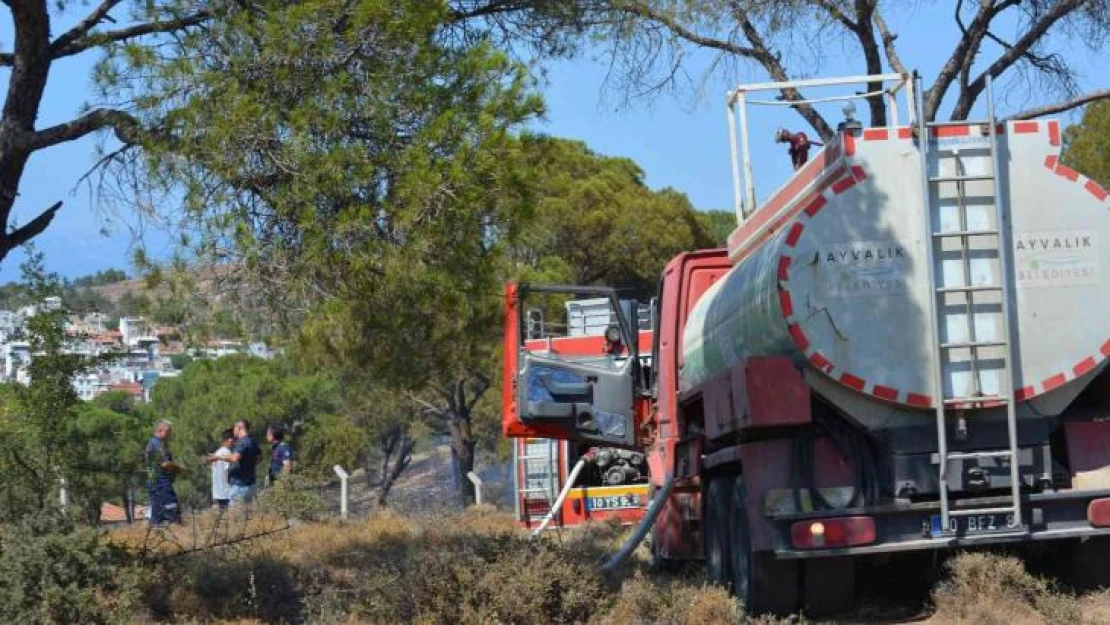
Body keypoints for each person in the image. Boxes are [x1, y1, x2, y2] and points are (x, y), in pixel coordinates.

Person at [144, 420, 184, 526]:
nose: (169, 434)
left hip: (153, 481)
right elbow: (164, 464)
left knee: (157, 509)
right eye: (168, 431)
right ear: (160, 430)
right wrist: (178, 467)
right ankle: (176, 526)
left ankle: (156, 530)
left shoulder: (153, 443)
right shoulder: (156, 444)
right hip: (160, 481)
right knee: (172, 505)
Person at [220, 419, 261, 506]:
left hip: (239, 485)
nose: (233, 431)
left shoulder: (242, 442)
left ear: (239, 428)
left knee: (236, 517)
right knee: (247, 516)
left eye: (234, 428)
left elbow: (235, 458)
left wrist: (219, 457)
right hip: (250, 484)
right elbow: (260, 457)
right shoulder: (253, 442)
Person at [209, 428, 235, 511]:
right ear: (230, 440)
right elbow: (228, 471)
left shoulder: (217, 452)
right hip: (226, 491)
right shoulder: (227, 453)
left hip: (218, 490)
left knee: (222, 514)